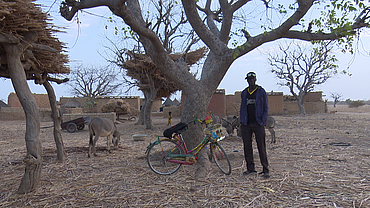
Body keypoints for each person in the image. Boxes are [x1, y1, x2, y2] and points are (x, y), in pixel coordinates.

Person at [240, 72, 270, 179]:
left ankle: (265, 170)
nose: (250, 81)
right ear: (247, 80)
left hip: (258, 123)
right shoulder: (244, 93)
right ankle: (250, 169)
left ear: (255, 79)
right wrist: (242, 121)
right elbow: (242, 107)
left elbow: (266, 108)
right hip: (246, 124)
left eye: (252, 79)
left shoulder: (261, 91)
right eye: (249, 79)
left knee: (261, 147)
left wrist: (262, 121)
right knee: (247, 147)